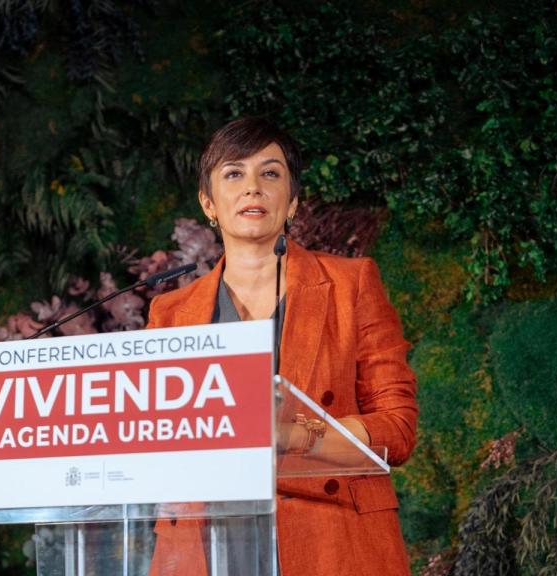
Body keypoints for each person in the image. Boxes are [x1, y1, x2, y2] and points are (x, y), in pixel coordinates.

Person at [146, 117, 418, 575]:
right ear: (208, 203)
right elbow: (155, 441)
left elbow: (397, 429)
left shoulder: (351, 284)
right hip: (204, 544)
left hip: (331, 543)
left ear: (291, 201)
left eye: (270, 173)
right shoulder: (169, 312)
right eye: (234, 173)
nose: (252, 187)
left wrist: (290, 437)